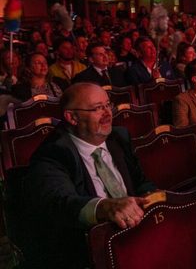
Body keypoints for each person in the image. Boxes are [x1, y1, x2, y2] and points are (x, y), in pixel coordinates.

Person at [24, 83, 156, 268]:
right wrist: (105, 207)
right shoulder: (53, 152)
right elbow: (61, 202)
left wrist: (154, 198)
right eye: (97, 108)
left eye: (108, 105)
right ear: (72, 117)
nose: (108, 113)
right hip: (91, 249)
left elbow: (140, 182)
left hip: (135, 233)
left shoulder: (119, 137)